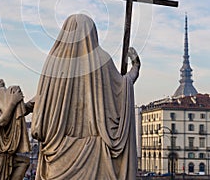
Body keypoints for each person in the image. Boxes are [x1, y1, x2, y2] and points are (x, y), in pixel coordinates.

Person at [31, 13, 141, 180]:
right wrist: (135, 68)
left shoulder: (53, 63)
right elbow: (123, 89)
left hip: (58, 154)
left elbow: (43, 99)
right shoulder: (102, 60)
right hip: (95, 155)